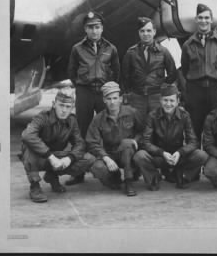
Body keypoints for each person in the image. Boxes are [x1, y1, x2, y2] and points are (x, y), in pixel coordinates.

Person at [21, 88, 95, 203]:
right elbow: (27, 135)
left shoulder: (72, 121)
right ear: (54, 104)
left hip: (57, 157)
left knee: (89, 159)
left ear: (72, 108)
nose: (64, 110)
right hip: (40, 157)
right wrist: (50, 156)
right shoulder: (42, 117)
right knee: (29, 149)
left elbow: (80, 143)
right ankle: (34, 186)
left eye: (68, 107)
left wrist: (69, 159)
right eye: (61, 105)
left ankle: (52, 175)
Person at [134, 84, 209, 191]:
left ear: (178, 101)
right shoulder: (152, 115)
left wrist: (180, 152)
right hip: (159, 155)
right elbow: (145, 142)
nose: (168, 104)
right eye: (165, 100)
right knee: (139, 156)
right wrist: (162, 153)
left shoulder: (184, 115)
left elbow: (193, 141)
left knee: (202, 155)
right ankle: (154, 177)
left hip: (177, 156)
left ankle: (182, 175)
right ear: (160, 100)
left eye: (172, 100)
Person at [181, 3, 217, 139]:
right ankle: (196, 157)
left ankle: (216, 157)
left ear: (211, 19)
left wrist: (216, 81)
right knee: (195, 128)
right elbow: (185, 69)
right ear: (196, 20)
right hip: (195, 91)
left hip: (215, 90)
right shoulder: (188, 45)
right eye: (200, 18)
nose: (203, 21)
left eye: (206, 18)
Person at [68, 11, 120, 139]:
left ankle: (105, 153)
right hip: (85, 92)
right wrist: (81, 86)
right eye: (90, 27)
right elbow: (71, 71)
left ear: (102, 28)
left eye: (97, 27)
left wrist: (109, 88)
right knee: (82, 125)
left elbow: (117, 71)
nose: (94, 31)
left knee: (106, 124)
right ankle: (83, 154)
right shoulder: (77, 49)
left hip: (103, 92)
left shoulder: (111, 48)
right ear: (85, 29)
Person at [86, 81, 144, 196]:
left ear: (120, 99)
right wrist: (106, 158)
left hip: (129, 153)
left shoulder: (132, 112)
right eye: (109, 99)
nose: (112, 102)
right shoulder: (98, 119)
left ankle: (129, 181)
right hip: (111, 154)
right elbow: (92, 143)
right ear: (104, 100)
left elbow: (143, 131)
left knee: (127, 143)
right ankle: (115, 178)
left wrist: (135, 141)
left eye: (115, 98)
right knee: (96, 167)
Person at [122, 17, 177, 120]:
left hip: (156, 97)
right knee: (139, 126)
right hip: (138, 97)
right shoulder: (131, 52)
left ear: (154, 32)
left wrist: (161, 86)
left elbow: (172, 73)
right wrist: (133, 92)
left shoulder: (163, 51)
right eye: (142, 31)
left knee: (157, 125)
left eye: (148, 30)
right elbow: (125, 75)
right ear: (138, 33)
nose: (145, 34)